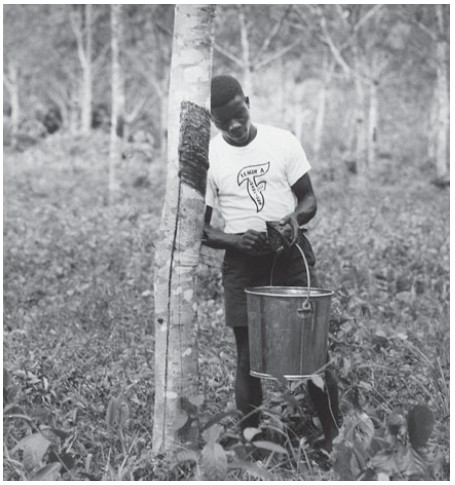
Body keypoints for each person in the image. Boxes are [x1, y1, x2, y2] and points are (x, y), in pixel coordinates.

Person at [202, 74, 342, 450]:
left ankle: (334, 439)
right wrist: (235, 239)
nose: (234, 125)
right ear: (212, 120)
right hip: (243, 264)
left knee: (312, 350)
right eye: (223, 120)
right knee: (249, 355)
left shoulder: (281, 140)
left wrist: (293, 220)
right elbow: (201, 229)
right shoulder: (210, 156)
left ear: (248, 101)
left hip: (289, 255)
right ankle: (253, 445)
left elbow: (309, 200)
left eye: (239, 113)